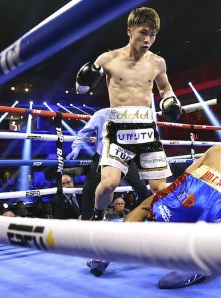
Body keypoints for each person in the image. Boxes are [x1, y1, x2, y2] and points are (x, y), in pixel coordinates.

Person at [89, 138, 221, 288]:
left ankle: (106, 254)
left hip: (193, 187)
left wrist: (172, 204)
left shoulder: (219, 148)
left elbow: (186, 175)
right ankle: (199, 265)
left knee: (145, 206)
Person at [75, 7, 181, 221]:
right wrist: (83, 80)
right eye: (143, 32)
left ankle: (165, 223)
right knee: (108, 184)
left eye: (152, 34)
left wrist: (170, 100)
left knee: (160, 186)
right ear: (129, 30)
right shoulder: (108, 59)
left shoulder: (158, 62)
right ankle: (98, 215)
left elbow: (164, 88)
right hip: (118, 128)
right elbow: (81, 90)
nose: (148, 39)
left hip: (146, 128)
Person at [66, 108, 150, 219]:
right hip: (102, 156)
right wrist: (76, 149)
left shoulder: (131, 114)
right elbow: (84, 132)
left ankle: (142, 216)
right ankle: (88, 221)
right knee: (88, 190)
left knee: (142, 188)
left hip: (125, 156)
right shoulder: (102, 114)